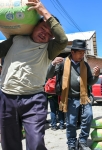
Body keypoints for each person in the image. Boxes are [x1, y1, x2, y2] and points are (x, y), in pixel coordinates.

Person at [0, 0, 68, 149]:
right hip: (7, 97)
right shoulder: (15, 40)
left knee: (36, 143)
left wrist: (43, 11)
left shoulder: (49, 49)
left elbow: (63, 40)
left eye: (50, 34)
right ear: (34, 26)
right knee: (9, 144)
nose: (45, 34)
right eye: (43, 28)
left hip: (34, 99)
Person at [47, 39, 100, 150]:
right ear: (73, 52)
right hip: (70, 98)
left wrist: (95, 76)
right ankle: (71, 143)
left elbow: (90, 81)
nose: (82, 55)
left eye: (83, 52)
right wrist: (52, 64)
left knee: (88, 116)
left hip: (84, 97)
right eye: (80, 52)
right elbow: (48, 74)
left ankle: (82, 141)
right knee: (71, 123)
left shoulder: (84, 65)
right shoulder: (62, 63)